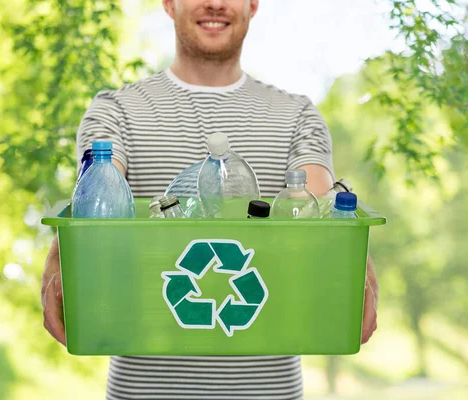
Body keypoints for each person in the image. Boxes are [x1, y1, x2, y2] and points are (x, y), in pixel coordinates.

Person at [42, 0, 379, 398]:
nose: (215, 3)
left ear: (253, 4)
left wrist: (356, 261)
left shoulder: (296, 115)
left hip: (267, 390)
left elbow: (322, 202)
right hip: (144, 389)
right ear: (168, 3)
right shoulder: (116, 111)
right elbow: (97, 192)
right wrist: (61, 258)